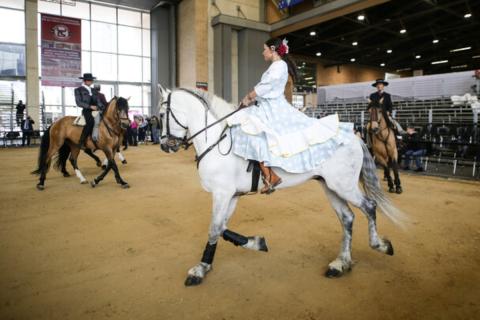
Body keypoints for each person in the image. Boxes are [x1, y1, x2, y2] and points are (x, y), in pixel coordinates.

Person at [227, 38, 353, 194]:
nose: (263, 52)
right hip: (264, 106)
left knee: (257, 134)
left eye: (264, 49)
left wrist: (249, 96)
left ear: (273, 49)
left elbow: (266, 87)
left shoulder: (279, 66)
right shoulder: (276, 66)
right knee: (248, 127)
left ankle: (270, 175)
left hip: (273, 109)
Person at [74, 73, 99, 146]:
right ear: (85, 81)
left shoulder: (94, 90)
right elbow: (78, 103)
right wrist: (90, 107)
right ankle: (82, 140)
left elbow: (98, 101)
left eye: (91, 80)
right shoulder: (78, 90)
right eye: (89, 80)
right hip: (87, 110)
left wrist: (103, 107)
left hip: (96, 109)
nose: (91, 81)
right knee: (90, 122)